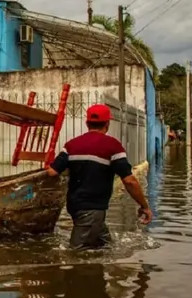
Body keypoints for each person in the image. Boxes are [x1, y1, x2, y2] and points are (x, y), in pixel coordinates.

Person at [46, 103, 153, 250]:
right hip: (92, 209)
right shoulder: (113, 146)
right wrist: (144, 206)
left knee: (107, 246)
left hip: (74, 206)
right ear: (108, 124)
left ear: (87, 123)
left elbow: (52, 172)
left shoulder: (71, 145)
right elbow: (129, 181)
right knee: (75, 254)